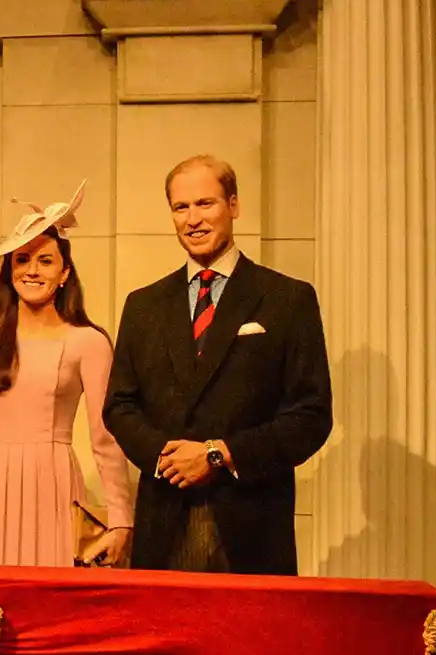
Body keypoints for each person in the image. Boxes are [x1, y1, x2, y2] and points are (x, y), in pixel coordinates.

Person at [103, 155, 332, 575]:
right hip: (164, 520)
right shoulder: (143, 306)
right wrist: (167, 458)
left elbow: (311, 416)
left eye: (205, 203)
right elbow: (119, 405)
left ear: (234, 205)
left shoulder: (287, 299)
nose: (193, 219)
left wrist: (218, 454)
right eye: (181, 207)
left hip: (252, 526)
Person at [0, 183, 134, 567]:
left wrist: (120, 518)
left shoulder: (88, 342)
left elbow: (105, 437)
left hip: (54, 487)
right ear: (9, 271)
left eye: (45, 261)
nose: (32, 270)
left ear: (64, 273)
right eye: (22, 259)